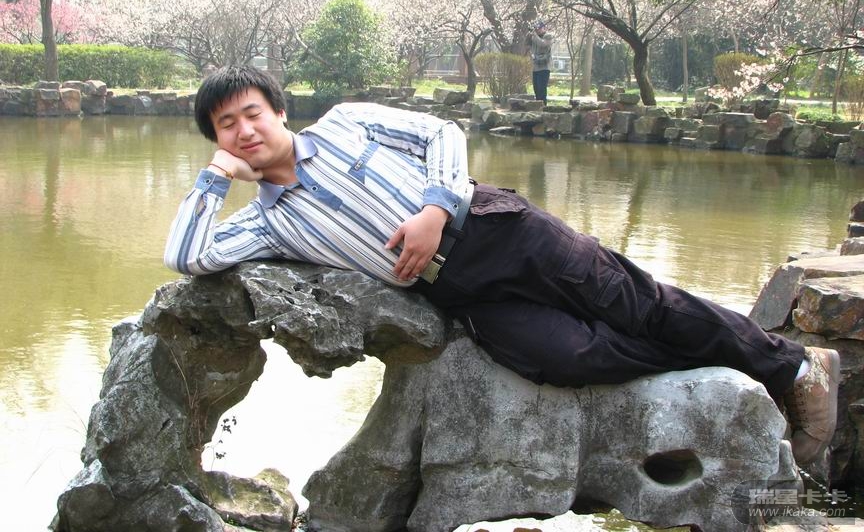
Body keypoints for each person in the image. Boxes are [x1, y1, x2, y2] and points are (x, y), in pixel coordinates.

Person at [165, 65, 840, 466]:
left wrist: (434, 209)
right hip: (459, 293)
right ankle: (730, 370)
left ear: (279, 111)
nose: (244, 131)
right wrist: (214, 181)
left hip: (498, 229)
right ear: (218, 141)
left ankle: (796, 368)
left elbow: (440, 133)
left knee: (640, 304)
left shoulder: (345, 123)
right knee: (567, 356)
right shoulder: (267, 223)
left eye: (252, 113)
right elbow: (187, 255)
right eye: (226, 126)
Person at [526, 19, 553, 103]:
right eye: (536, 29)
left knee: (542, 90)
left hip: (544, 67)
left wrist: (534, 35)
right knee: (536, 90)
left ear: (544, 28)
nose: (538, 30)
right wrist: (529, 35)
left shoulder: (548, 36)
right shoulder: (534, 37)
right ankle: (537, 107)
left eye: (539, 28)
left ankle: (543, 107)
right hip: (535, 67)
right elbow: (527, 45)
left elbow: (542, 44)